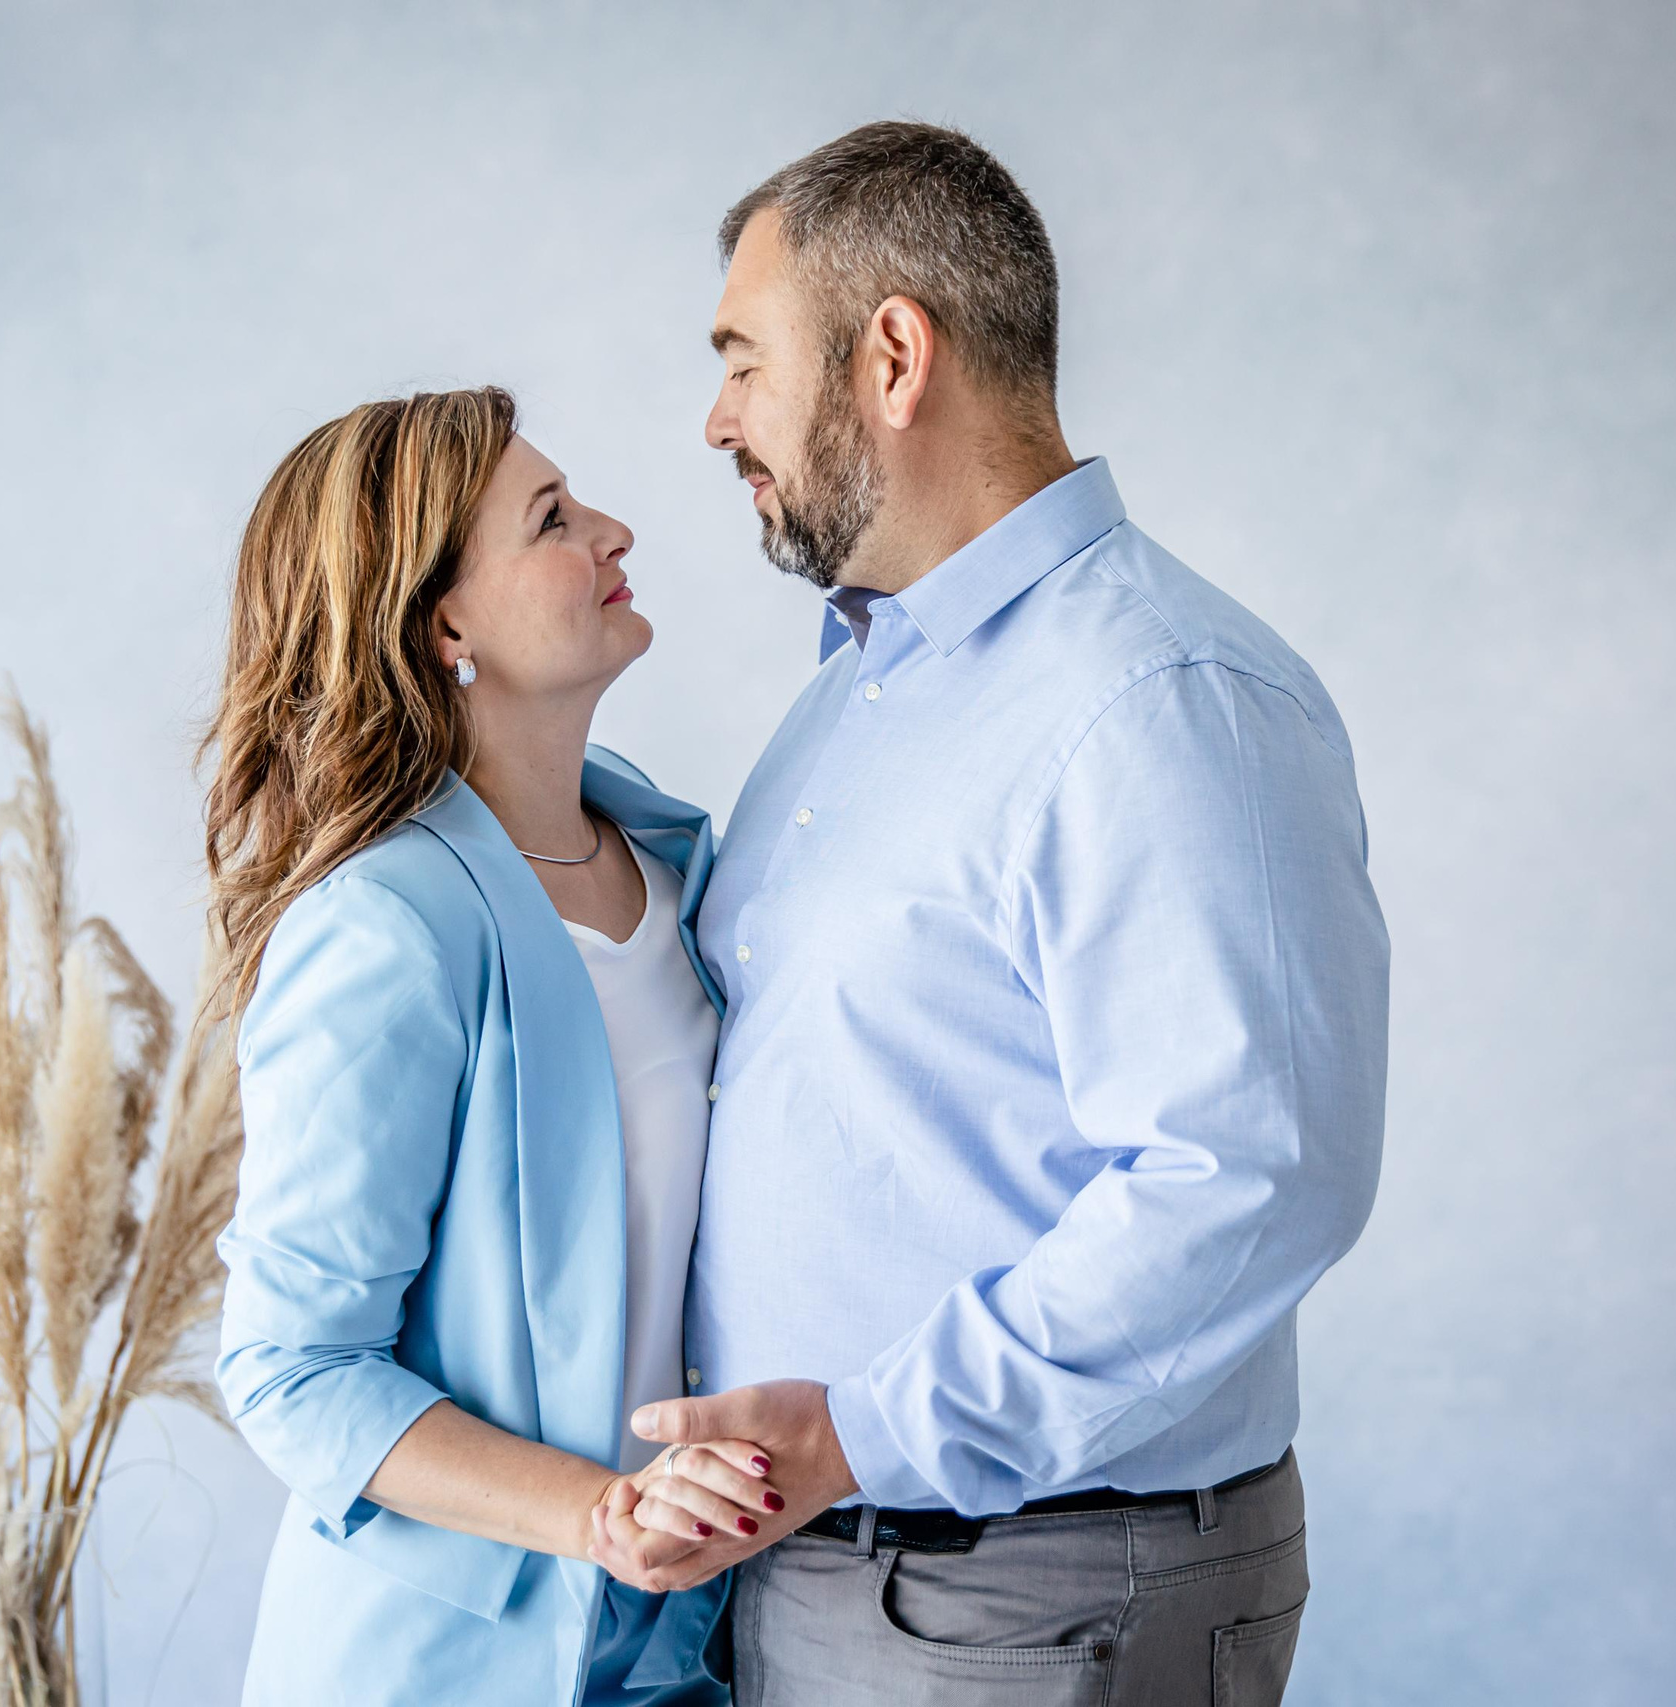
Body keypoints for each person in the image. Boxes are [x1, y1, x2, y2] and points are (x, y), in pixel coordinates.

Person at [625, 122, 1393, 1705]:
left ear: (893, 357)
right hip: (838, 1570)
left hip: (1027, 1592)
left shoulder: (1157, 700)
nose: (717, 420)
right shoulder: (862, 693)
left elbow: (1247, 1176)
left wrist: (860, 1436)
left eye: (744, 361)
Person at [203, 388, 776, 1706]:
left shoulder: (686, 869)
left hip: (682, 1650)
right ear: (445, 625)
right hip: (448, 1670)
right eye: (553, 520)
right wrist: (598, 1514)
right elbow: (293, 1368)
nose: (614, 531)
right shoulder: (385, 926)